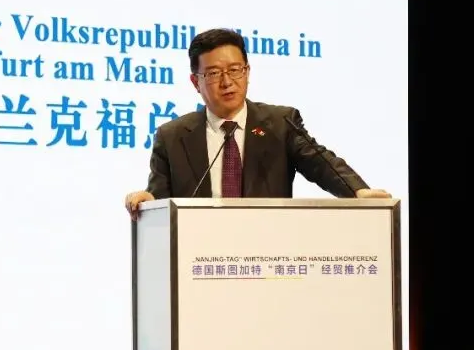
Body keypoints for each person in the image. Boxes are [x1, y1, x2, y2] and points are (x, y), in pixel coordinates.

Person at [124, 28, 390, 217]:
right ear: (196, 82)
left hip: (266, 256)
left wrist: (357, 191)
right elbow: (159, 199)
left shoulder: (281, 123)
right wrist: (147, 204)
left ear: (247, 72)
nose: (227, 82)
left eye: (235, 70)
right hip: (198, 260)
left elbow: (322, 164)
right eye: (214, 73)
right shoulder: (172, 137)